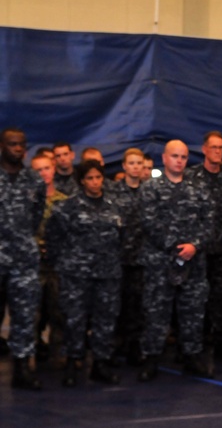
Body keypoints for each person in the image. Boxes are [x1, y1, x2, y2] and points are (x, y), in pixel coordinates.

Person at [137, 140, 214, 381]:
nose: (179, 160)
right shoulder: (151, 188)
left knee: (193, 313)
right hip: (160, 262)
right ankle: (151, 359)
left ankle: (191, 357)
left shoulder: (199, 189)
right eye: (175, 156)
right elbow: (148, 222)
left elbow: (209, 221)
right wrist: (176, 246)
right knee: (156, 313)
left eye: (183, 157)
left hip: (193, 262)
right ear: (164, 158)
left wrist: (195, 245)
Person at [47, 160, 123, 386]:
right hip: (76, 274)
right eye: (90, 178)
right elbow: (54, 239)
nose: (95, 182)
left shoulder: (114, 205)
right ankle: (72, 362)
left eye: (98, 177)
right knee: (74, 320)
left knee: (105, 320)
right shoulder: (67, 207)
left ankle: (100, 363)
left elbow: (123, 237)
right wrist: (65, 263)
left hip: (107, 273)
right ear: (82, 181)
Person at [0, 128, 47, 389]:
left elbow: (36, 215)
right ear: (2, 146)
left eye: (21, 145)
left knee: (24, 315)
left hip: (23, 259)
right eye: (11, 144)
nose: (17, 149)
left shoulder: (34, 180)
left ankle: (22, 368)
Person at [187, 131, 222, 358]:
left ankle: (221, 341)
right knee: (196, 297)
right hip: (199, 250)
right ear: (205, 149)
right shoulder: (192, 177)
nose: (218, 152)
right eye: (214, 147)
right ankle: (194, 343)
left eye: (221, 148)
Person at [105, 147, 146, 366]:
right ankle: (113, 346)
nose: (136, 167)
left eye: (139, 163)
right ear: (124, 166)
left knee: (137, 306)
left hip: (141, 260)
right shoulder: (112, 191)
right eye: (131, 163)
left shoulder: (150, 192)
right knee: (114, 305)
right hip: (117, 259)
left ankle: (134, 346)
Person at [29, 152, 69, 366]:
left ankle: (58, 353)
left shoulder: (64, 201)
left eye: (46, 168)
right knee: (33, 314)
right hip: (33, 265)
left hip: (57, 265)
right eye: (38, 170)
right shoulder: (26, 200)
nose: (43, 173)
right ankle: (32, 353)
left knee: (59, 311)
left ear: (53, 169)